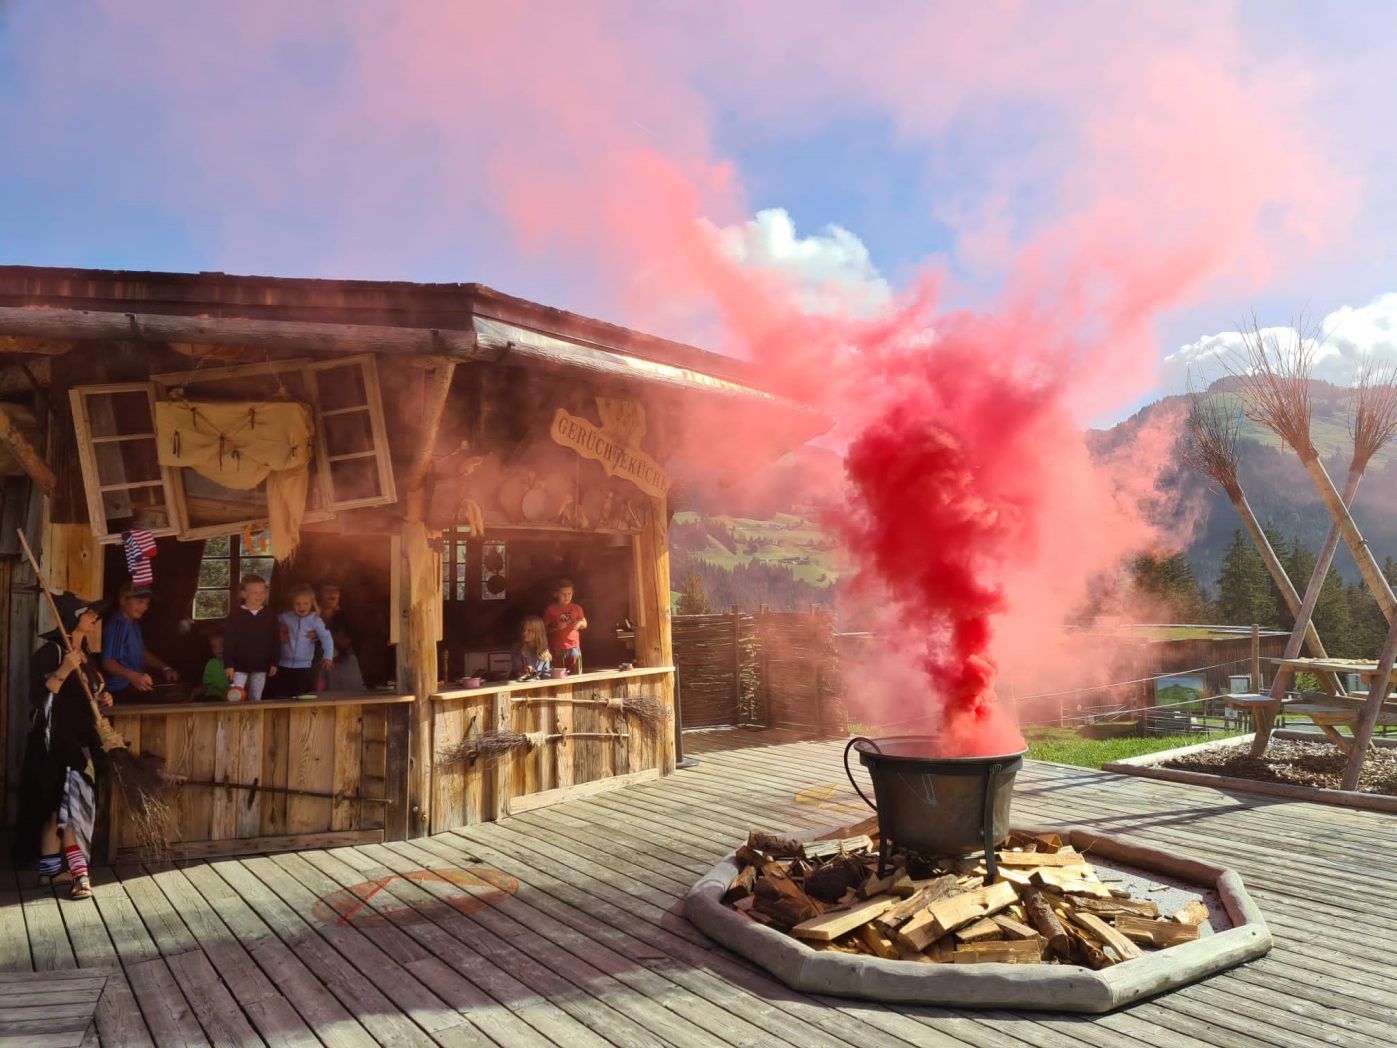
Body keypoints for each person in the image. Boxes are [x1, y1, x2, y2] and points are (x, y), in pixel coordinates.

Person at [15, 593, 113, 899]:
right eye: (90, 613)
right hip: (54, 742)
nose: (96, 617)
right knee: (62, 807)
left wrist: (100, 698)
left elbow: (82, 696)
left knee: (68, 807)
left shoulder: (86, 655)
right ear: (72, 620)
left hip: (81, 740)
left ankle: (55, 872)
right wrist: (65, 670)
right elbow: (39, 698)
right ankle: (75, 874)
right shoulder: (53, 654)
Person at [101, 583, 178, 699]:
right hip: (120, 687)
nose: (145, 607)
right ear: (123, 600)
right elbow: (108, 663)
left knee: (177, 689)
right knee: (172, 697)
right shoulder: (118, 626)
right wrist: (133, 676)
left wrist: (165, 668)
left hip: (136, 683)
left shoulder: (134, 624)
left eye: (147, 603)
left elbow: (142, 654)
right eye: (140, 602)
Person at [223, 575, 279, 701]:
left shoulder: (270, 615)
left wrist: (274, 661)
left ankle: (254, 720)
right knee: (235, 696)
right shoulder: (235, 615)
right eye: (254, 593)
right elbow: (228, 642)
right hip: (239, 666)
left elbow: (275, 640)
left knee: (256, 697)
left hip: (261, 665)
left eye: (262, 592)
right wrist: (229, 664)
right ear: (243, 594)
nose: (259, 596)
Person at [275, 584, 334, 697]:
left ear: (312, 604)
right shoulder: (286, 617)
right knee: (284, 695)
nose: (302, 607)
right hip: (284, 665)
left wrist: (328, 656)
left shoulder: (315, 621)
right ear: (292, 604)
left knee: (303, 694)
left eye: (306, 603)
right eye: (298, 604)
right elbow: (272, 622)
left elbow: (326, 637)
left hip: (304, 666)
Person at [316, 583, 365, 690]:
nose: (332, 593)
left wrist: (326, 633)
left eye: (336, 590)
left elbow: (349, 644)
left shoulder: (347, 617)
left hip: (344, 666)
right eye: (327, 590)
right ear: (319, 594)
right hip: (318, 667)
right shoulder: (310, 617)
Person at [544, 578, 587, 674]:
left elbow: (585, 624)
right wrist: (556, 627)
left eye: (569, 594)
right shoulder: (550, 609)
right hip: (557, 649)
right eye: (564, 594)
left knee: (575, 676)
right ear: (556, 594)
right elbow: (544, 630)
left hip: (574, 648)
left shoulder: (577, 608)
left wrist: (579, 623)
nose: (567, 597)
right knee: (559, 677)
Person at [194, 629, 228, 701]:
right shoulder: (211, 664)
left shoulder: (238, 662)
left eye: (222, 645)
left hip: (233, 696)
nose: (218, 649)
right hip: (214, 697)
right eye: (214, 647)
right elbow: (207, 684)